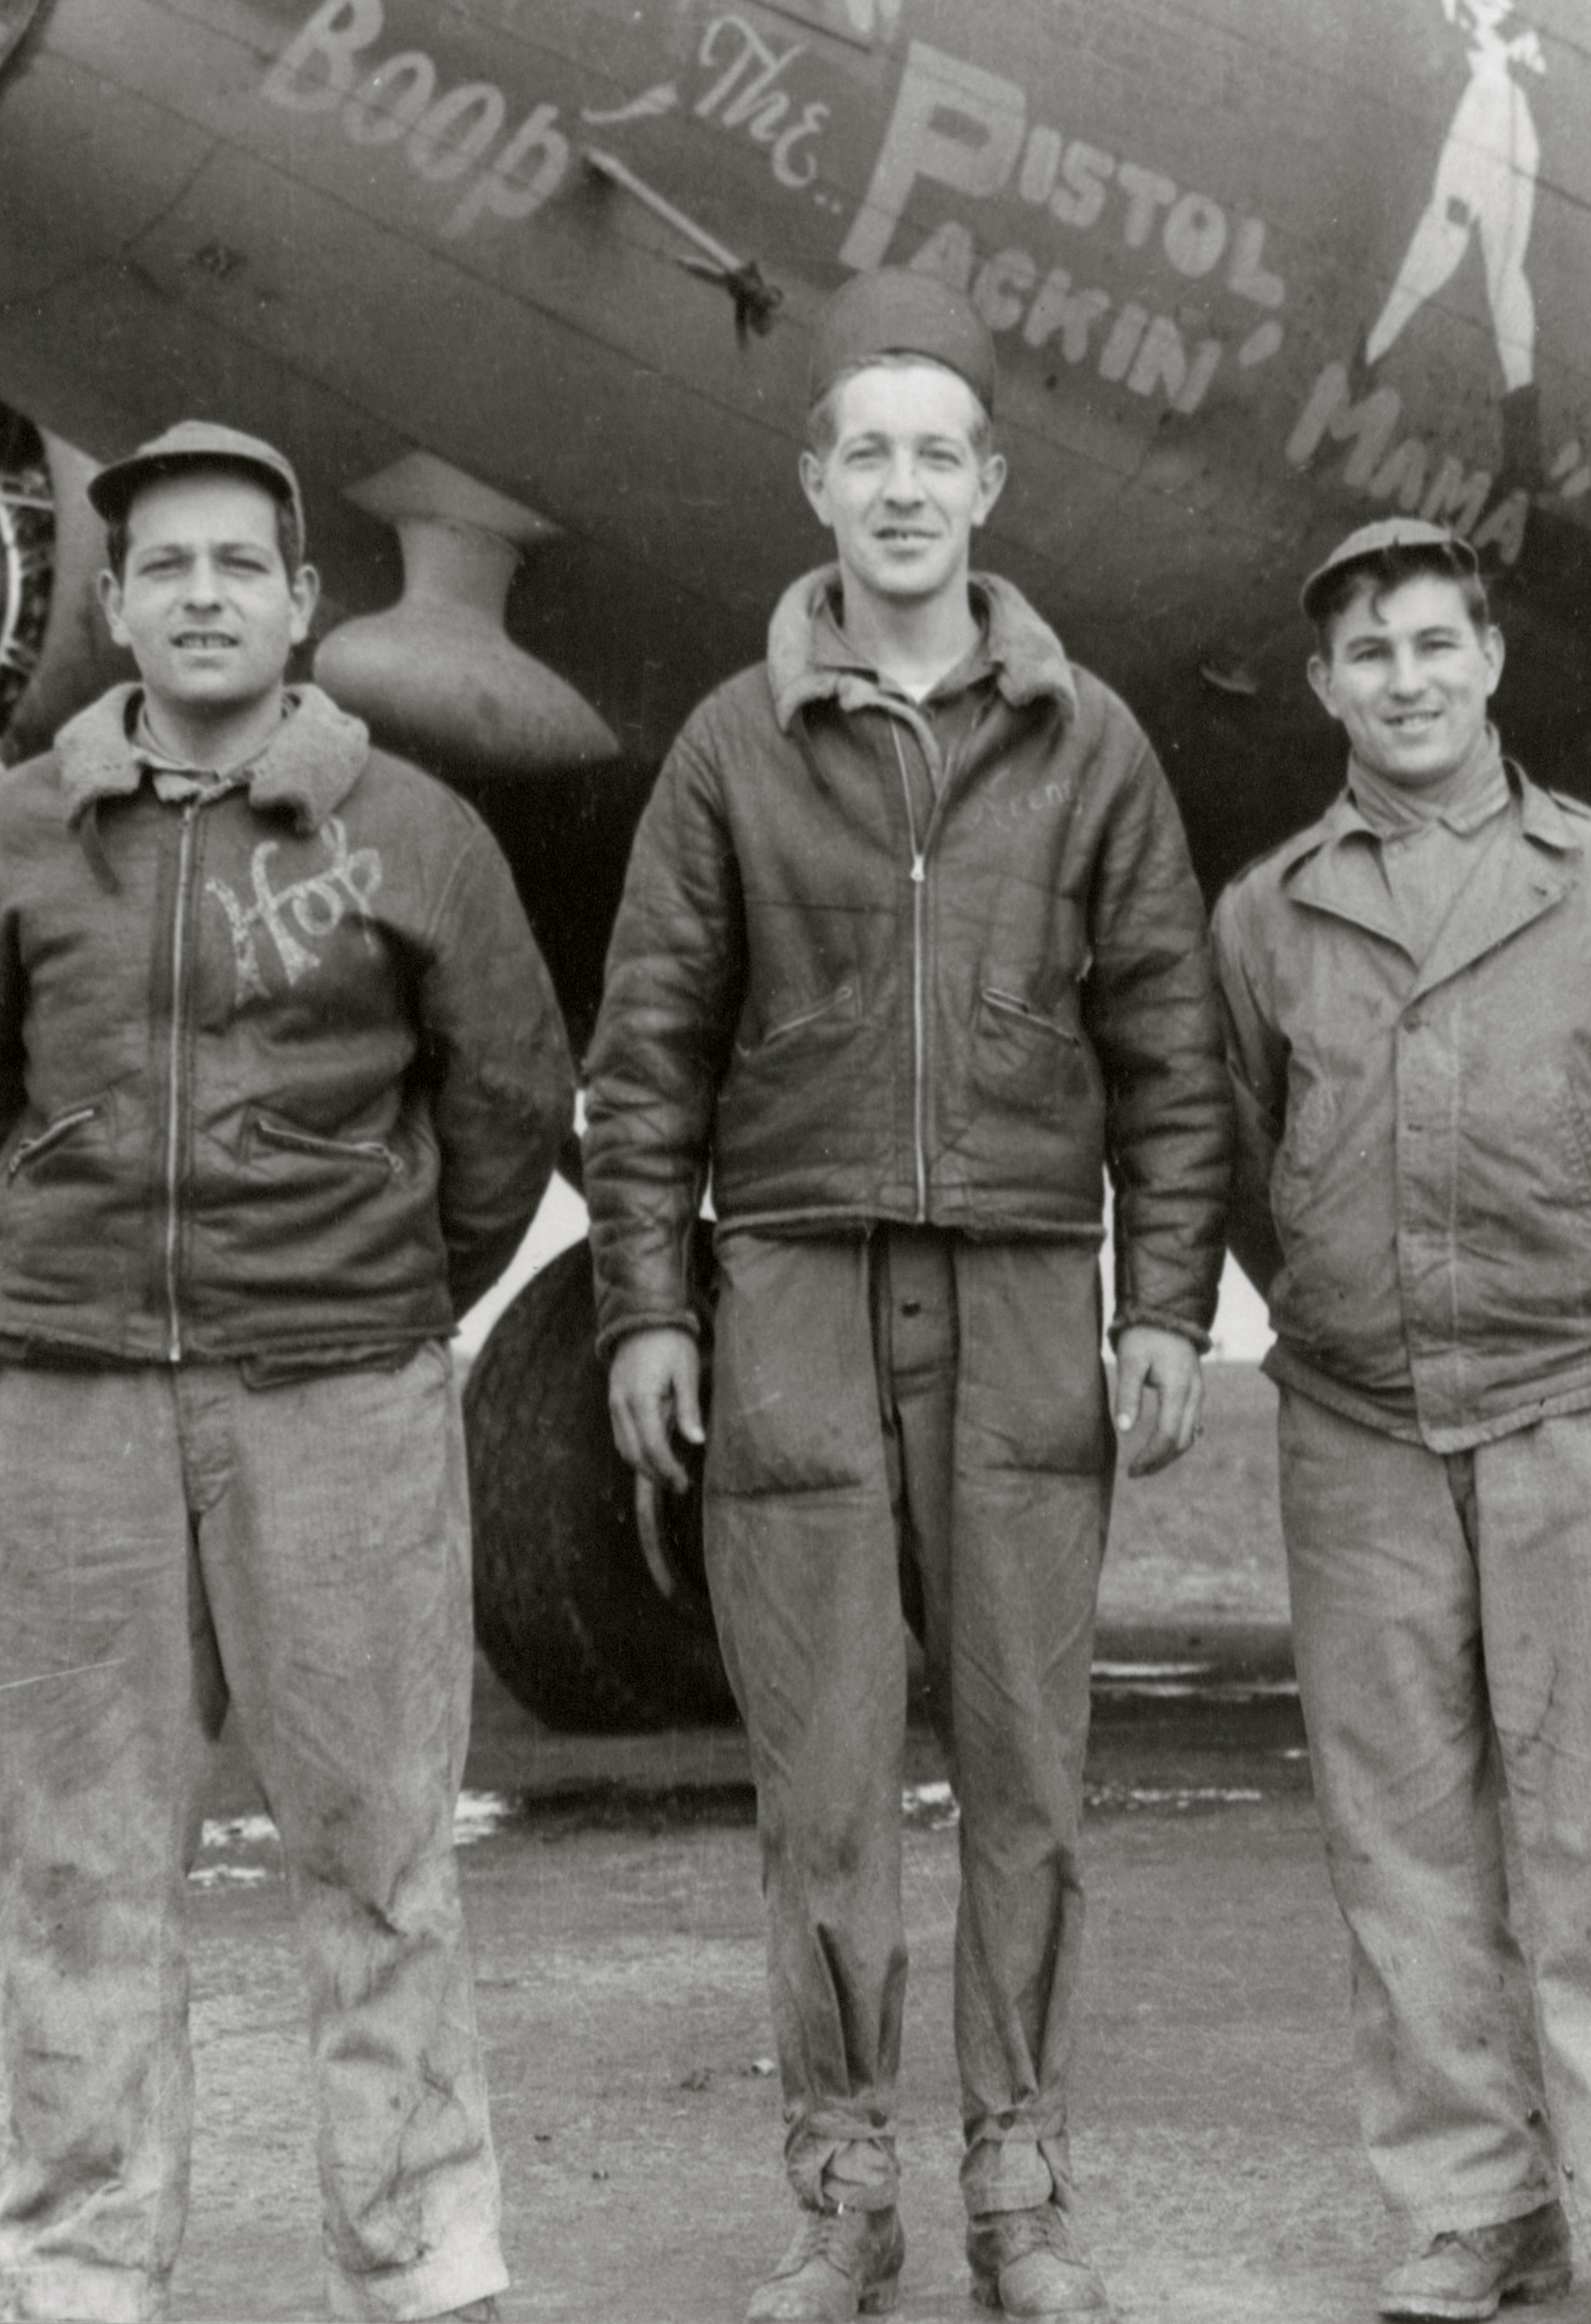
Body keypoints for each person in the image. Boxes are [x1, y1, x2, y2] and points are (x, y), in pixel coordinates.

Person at [583, 270, 1227, 2323]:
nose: (902, 487)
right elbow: (653, 1043)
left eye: (937, 452)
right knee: (827, 1773)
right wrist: (645, 1305)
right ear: (815, 485)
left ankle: (1022, 2193)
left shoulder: (1092, 742)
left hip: (1038, 1287)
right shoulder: (728, 748)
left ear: (989, 486)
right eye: (866, 451)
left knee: (1031, 1767)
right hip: (788, 1286)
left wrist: (1170, 1303)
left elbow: (1169, 1044)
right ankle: (844, 2190)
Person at [0, 420, 569, 2324]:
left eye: (239, 566)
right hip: (68, 1410)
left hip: (340, 1404)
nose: (203, 595)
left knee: (377, 1851)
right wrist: (77, 1264)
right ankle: (83, 2266)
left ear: (303, 602)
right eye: (167, 567)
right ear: (116, 607)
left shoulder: (415, 834)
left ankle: (427, 2258)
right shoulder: (13, 838)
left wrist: (366, 1283)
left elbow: (508, 1094)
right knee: (74, 1862)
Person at [1210, 517, 1591, 2324]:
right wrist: (1343, 1306)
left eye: (1438, 645)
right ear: (1326, 688)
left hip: (1571, 1420)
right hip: (1357, 1427)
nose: (1409, 680)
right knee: (1406, 1832)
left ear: (1491, 664)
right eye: (1371, 656)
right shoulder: (1269, 912)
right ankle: (1476, 2205)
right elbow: (1235, 1156)